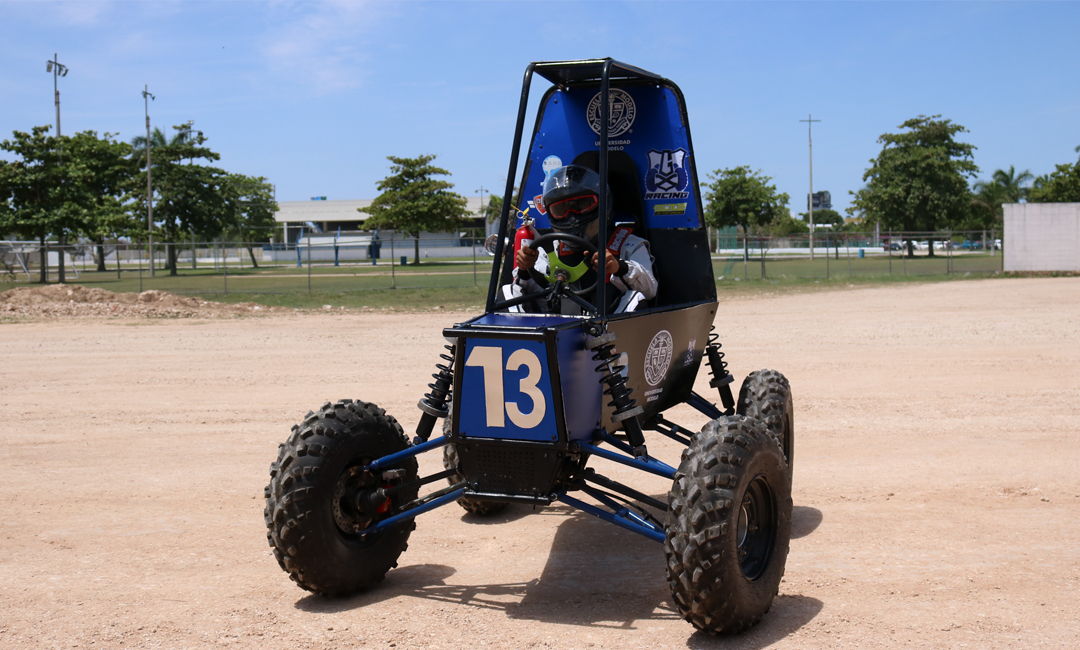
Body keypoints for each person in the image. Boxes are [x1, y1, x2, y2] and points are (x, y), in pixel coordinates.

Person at [503, 165, 657, 314]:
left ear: (603, 205)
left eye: (582, 205)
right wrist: (525, 269)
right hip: (560, 327)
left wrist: (619, 268)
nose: (571, 216)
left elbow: (650, 290)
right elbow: (530, 290)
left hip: (607, 328)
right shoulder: (552, 248)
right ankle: (518, 340)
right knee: (508, 291)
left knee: (635, 298)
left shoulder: (629, 245)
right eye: (561, 209)